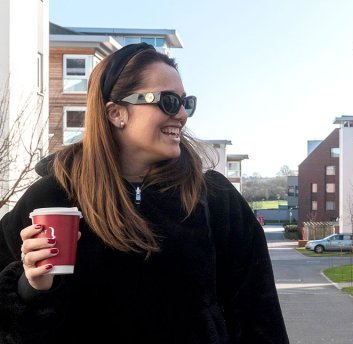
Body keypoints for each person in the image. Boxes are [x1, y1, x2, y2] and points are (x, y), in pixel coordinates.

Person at [0, 43, 289, 344]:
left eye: (185, 102)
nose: (181, 114)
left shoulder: (215, 200)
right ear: (116, 113)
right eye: (167, 101)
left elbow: (259, 317)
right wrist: (31, 288)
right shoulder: (53, 197)